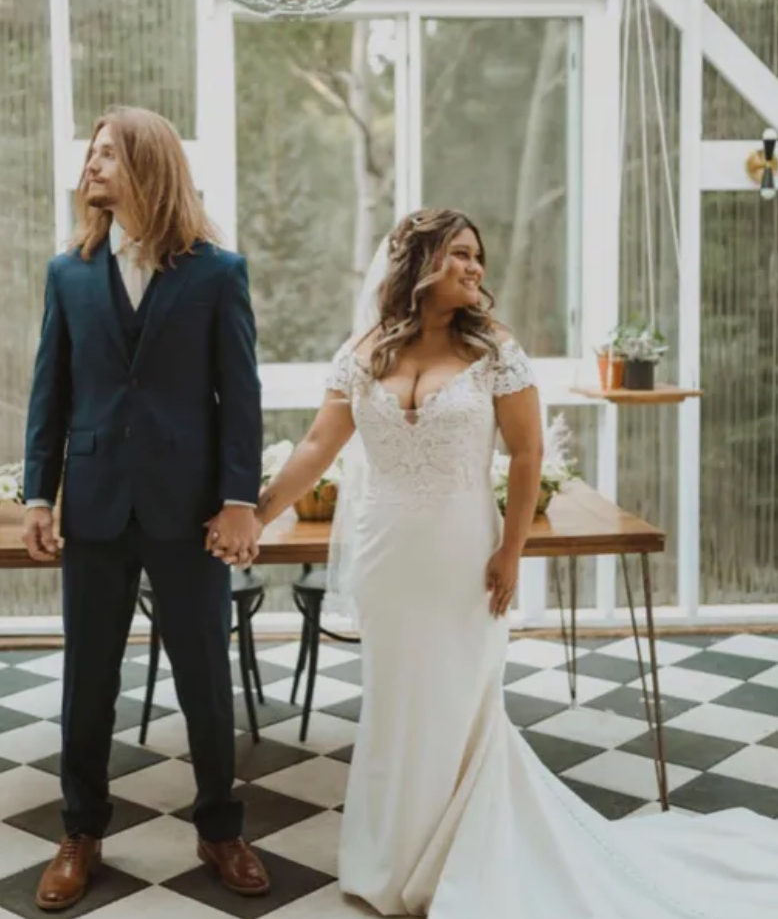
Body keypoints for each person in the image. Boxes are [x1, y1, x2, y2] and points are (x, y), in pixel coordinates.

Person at [254, 208, 778, 919]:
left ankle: (460, 857)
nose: (475, 268)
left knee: (458, 703)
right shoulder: (366, 350)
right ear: (419, 262)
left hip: (464, 553)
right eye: (461, 254)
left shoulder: (497, 351)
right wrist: (255, 513)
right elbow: (318, 444)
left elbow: (527, 454)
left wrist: (509, 549)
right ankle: (390, 858)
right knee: (396, 705)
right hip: (387, 555)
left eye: (479, 257)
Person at [22, 106, 270, 912]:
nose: (89, 166)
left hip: (189, 508)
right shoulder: (68, 273)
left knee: (204, 675)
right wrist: (37, 493)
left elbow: (241, 397)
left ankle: (220, 826)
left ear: (146, 165)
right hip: (93, 504)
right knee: (87, 679)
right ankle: (81, 830)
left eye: (103, 154)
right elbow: (49, 392)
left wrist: (240, 502)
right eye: (89, 154)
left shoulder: (217, 271)